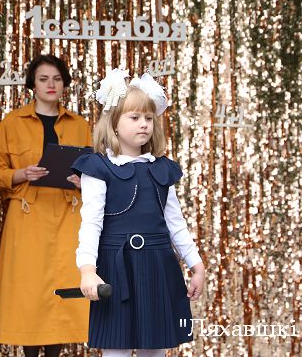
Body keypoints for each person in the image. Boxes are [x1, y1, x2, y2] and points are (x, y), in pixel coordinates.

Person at [71, 69, 205, 357]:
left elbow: (175, 224)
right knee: (115, 347)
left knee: (155, 348)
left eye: (148, 118)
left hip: (157, 266)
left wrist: (196, 264)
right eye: (134, 117)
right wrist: (88, 271)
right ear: (114, 123)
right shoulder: (98, 168)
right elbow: (91, 224)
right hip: (115, 268)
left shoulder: (162, 169)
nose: (144, 124)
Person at [0, 54, 92, 357]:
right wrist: (21, 174)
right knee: (29, 292)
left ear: (65, 84)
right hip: (28, 215)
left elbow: (97, 171)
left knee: (64, 289)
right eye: (44, 79)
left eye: (57, 79)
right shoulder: (12, 122)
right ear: (32, 84)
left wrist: (83, 181)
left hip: (68, 216)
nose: (51, 84)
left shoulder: (80, 125)